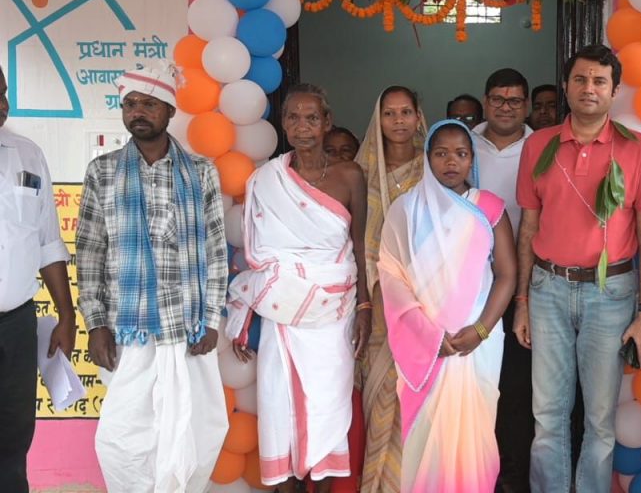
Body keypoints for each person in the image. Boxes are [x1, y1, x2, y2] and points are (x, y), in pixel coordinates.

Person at [514, 44, 641, 492]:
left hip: (611, 293)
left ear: (615, 91)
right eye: (580, 79)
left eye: (600, 81)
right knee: (547, 416)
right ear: (566, 86)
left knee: (599, 419)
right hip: (548, 289)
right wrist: (522, 301)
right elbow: (527, 228)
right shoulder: (538, 145)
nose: (589, 88)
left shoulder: (637, 149)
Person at [76, 63, 229, 492]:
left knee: (196, 431)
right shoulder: (103, 171)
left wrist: (212, 319)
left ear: (169, 110)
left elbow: (216, 251)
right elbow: (89, 252)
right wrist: (96, 324)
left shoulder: (200, 171)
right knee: (125, 437)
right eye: (129, 104)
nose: (137, 112)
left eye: (148, 104)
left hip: (188, 327)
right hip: (129, 329)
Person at [226, 84, 371, 491]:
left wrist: (364, 307)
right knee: (280, 410)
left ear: (327, 122)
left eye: (311, 118)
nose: (302, 126)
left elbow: (360, 246)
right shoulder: (265, 180)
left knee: (328, 412)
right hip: (283, 312)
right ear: (283, 123)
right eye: (293, 117)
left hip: (334, 315)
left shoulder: (350, 175)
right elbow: (259, 256)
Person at [378, 119, 517, 491]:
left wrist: (481, 330)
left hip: (477, 342)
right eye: (441, 153)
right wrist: (427, 336)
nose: (451, 161)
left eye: (460, 153)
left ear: (472, 159)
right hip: (427, 345)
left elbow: (507, 275)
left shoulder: (489, 207)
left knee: (476, 435)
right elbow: (390, 277)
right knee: (427, 440)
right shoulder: (405, 210)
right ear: (427, 158)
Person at [0, 64, 75, 493]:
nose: (2, 104)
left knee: (14, 435)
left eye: (3, 93)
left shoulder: (27, 153)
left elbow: (48, 241)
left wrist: (66, 315)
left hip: (16, 323)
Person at [355, 85, 428, 493]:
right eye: (389, 113)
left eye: (405, 112)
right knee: (380, 391)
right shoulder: (360, 172)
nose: (398, 120)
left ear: (419, 117)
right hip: (376, 301)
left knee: (418, 395)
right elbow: (353, 241)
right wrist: (365, 301)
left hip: (425, 303)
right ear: (378, 120)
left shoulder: (435, 167)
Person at [468, 68, 534, 491]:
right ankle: (474, 473)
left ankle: (512, 478)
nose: (505, 107)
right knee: (473, 384)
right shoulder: (463, 144)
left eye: (514, 101)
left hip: (525, 284)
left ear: (526, 106)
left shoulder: (542, 147)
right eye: (497, 99)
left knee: (516, 389)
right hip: (469, 287)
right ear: (485, 102)